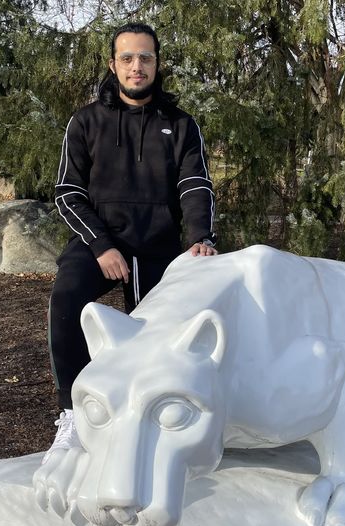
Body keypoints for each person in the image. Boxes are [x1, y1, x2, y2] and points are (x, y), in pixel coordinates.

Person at [45, 22, 217, 460]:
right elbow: (67, 193)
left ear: (157, 64)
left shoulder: (180, 124)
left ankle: (144, 425)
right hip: (98, 241)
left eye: (145, 58)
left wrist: (201, 237)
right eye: (127, 58)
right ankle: (72, 416)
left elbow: (194, 184)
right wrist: (101, 245)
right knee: (66, 303)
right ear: (113, 64)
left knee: (151, 338)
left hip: (157, 244)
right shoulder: (85, 122)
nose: (136, 66)